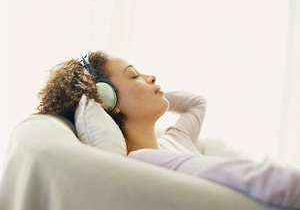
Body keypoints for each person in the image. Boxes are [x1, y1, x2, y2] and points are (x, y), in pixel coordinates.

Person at [36, 50, 300, 209]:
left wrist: (152, 95)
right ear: (107, 100)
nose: (151, 77)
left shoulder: (174, 139)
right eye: (134, 75)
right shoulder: (144, 160)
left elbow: (197, 104)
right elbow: (251, 176)